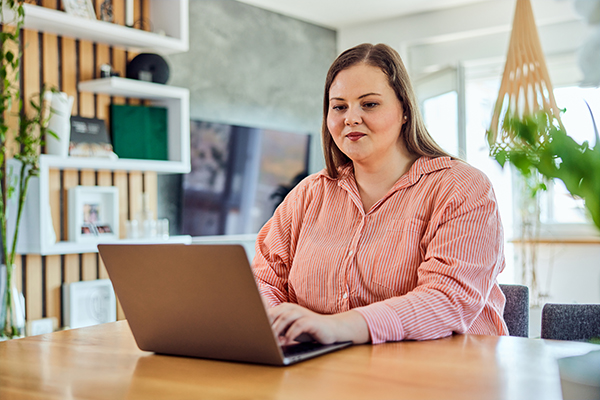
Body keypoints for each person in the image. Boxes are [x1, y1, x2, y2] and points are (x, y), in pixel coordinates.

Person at [252, 43, 508, 346]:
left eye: (369, 104)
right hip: (328, 375)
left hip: (445, 377)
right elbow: (264, 280)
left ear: (404, 110)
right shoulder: (307, 195)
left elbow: (447, 299)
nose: (351, 118)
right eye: (339, 106)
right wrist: (278, 325)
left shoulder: (462, 188)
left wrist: (338, 326)